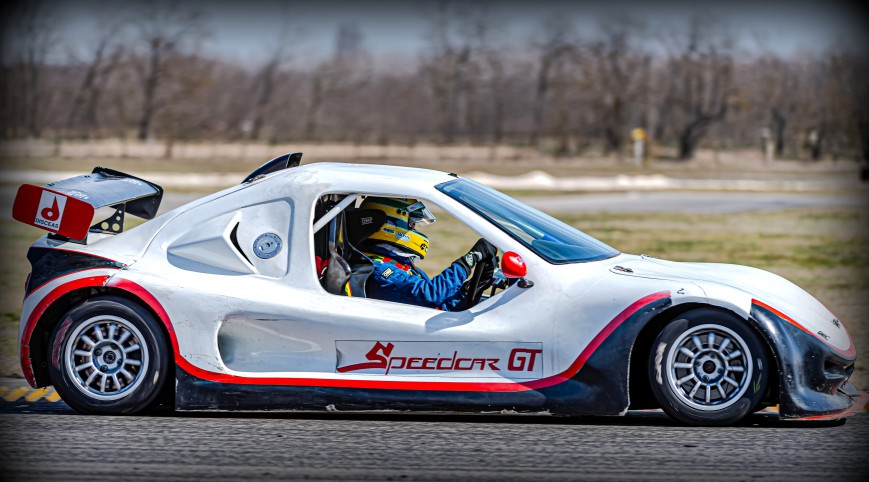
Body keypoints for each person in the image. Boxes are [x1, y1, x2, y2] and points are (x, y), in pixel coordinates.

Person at [355, 196, 497, 311]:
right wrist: (469, 259)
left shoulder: (401, 265)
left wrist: (477, 284)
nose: (414, 229)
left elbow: (441, 309)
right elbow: (431, 294)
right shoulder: (377, 269)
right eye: (411, 224)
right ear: (390, 225)